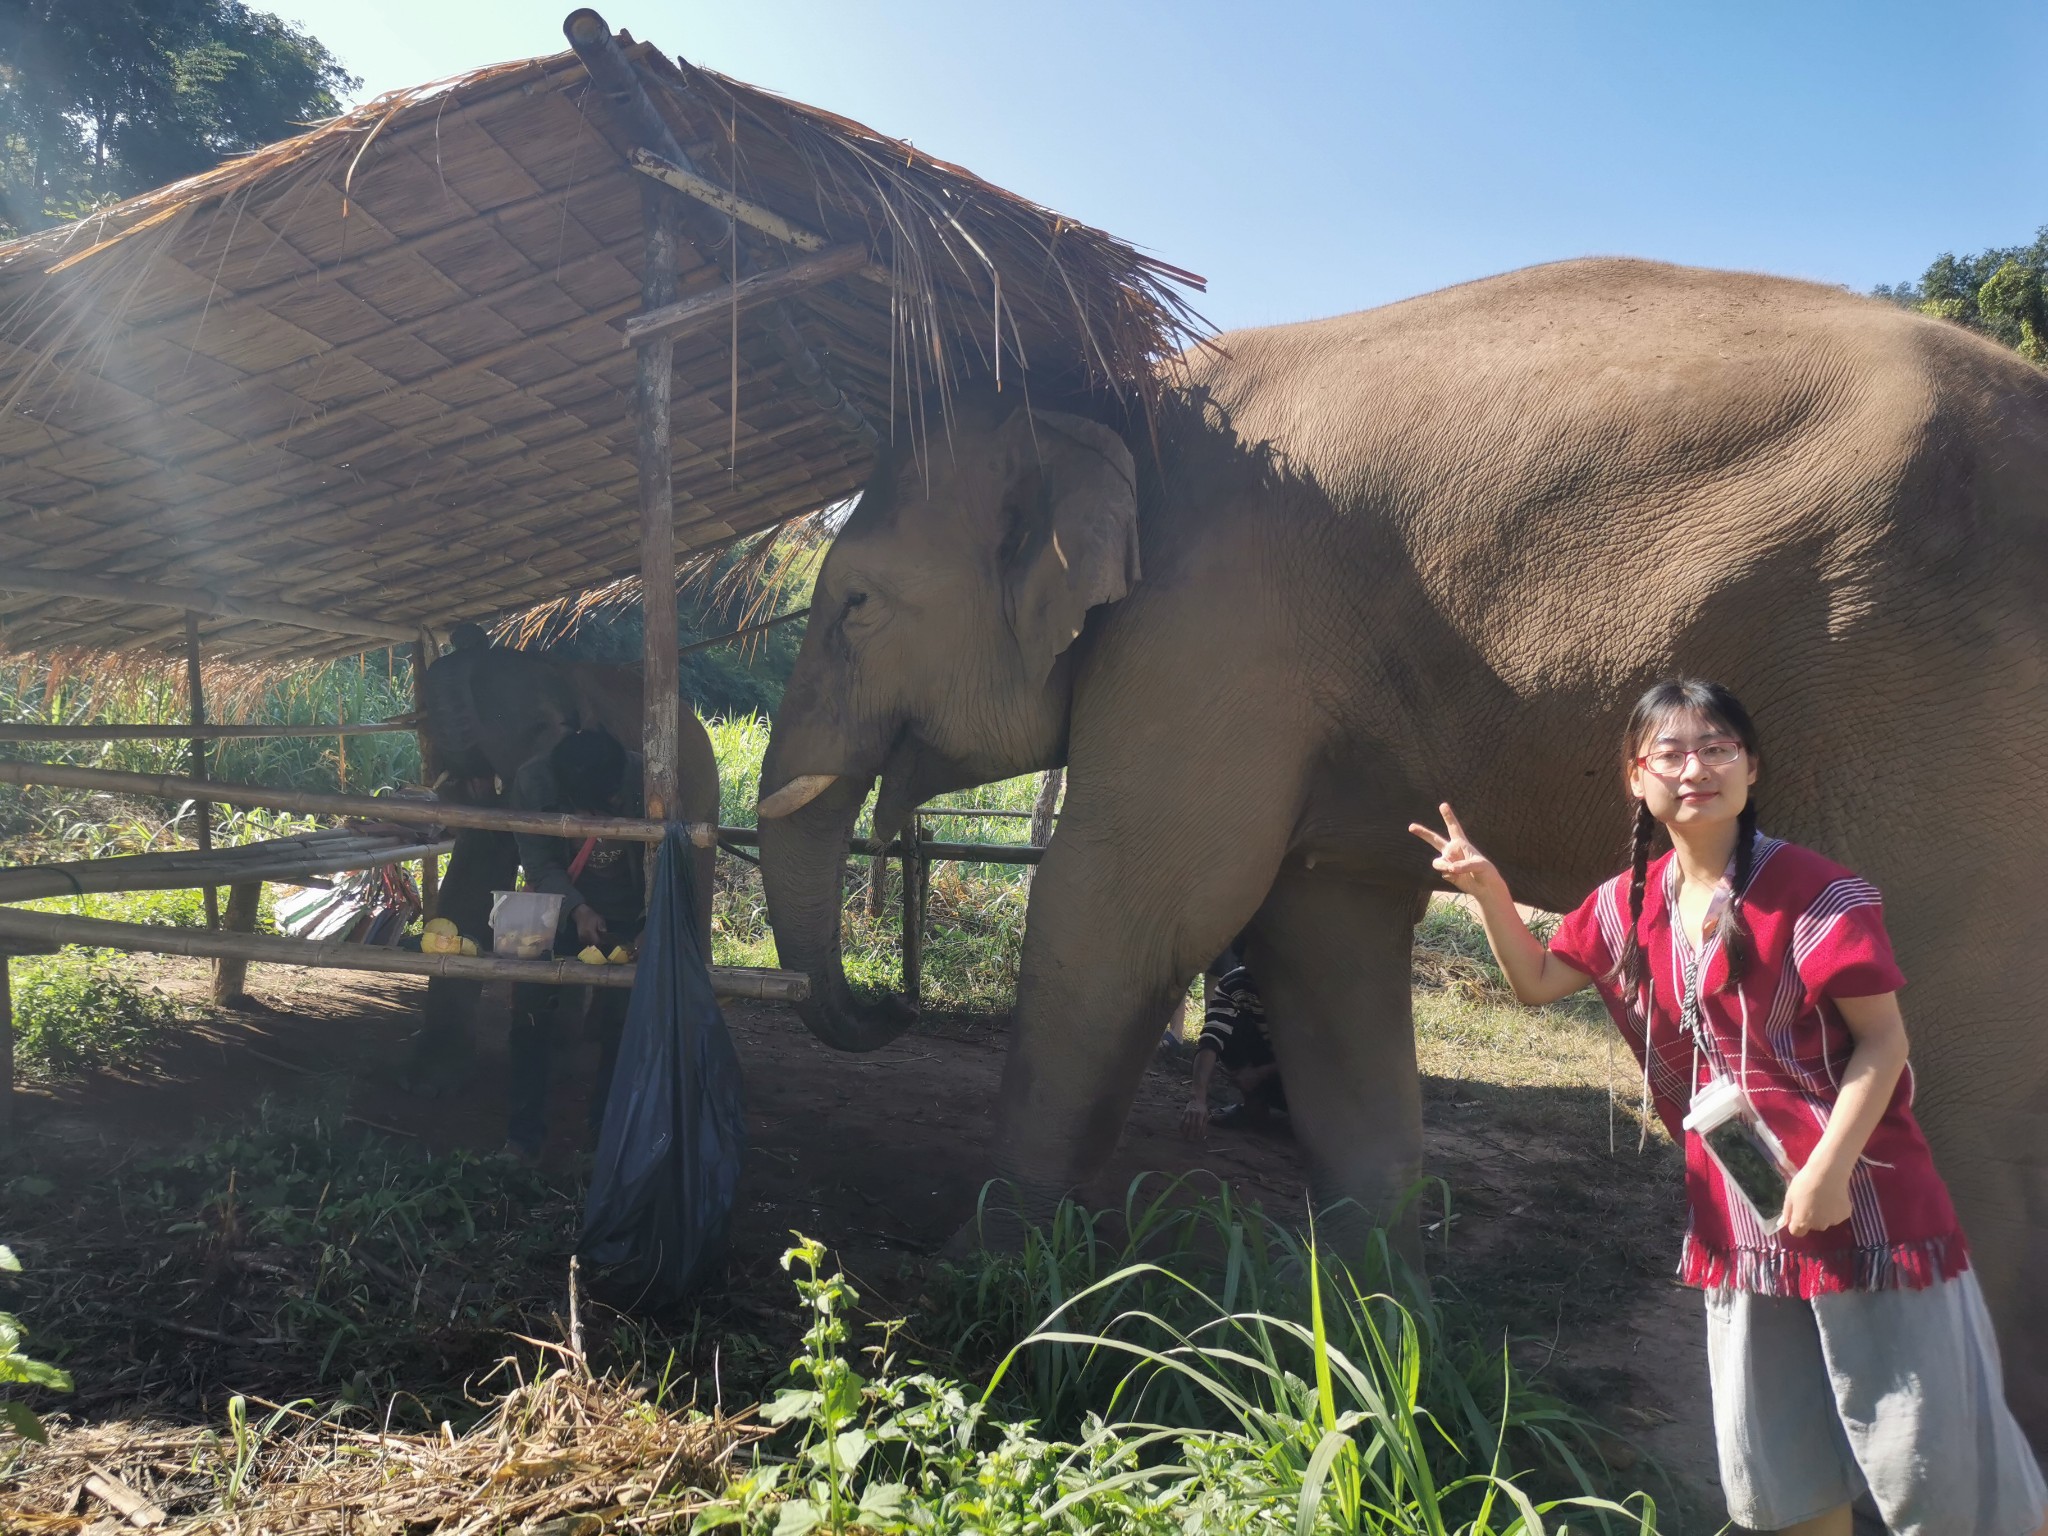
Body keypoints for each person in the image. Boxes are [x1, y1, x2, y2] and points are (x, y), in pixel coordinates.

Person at [1408, 678, 2046, 1536]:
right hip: (1741, 1223)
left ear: (1750, 769)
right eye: (1669, 752)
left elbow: (1885, 1044)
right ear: (1637, 778)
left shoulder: (1818, 892)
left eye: (1716, 748)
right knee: (1786, 1478)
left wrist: (1827, 1173)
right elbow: (1534, 982)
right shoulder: (1626, 903)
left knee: (1948, 1480)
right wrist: (1488, 891)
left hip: (1868, 1215)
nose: (1695, 767)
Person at [503, 727, 646, 1162]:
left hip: (630, 915)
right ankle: (522, 1137)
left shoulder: (646, 777)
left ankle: (605, 1138)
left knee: (622, 1028)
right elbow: (539, 862)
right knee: (530, 1016)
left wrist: (650, 923)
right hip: (555, 907)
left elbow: (671, 860)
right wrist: (579, 910)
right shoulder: (533, 783)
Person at [1178, 937, 1287, 1139]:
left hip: (1301, 1080)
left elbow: (1310, 1054)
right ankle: (1255, 1106)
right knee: (1229, 1027)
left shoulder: (1296, 990)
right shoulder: (1234, 984)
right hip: (1269, 1074)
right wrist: (1197, 1099)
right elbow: (1211, 1039)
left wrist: (1261, 1072)